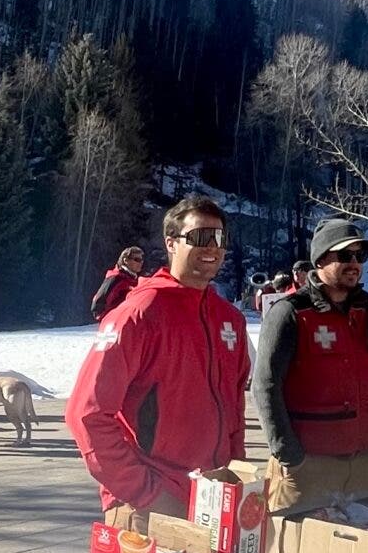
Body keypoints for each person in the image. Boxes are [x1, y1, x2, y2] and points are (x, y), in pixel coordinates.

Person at [66, 195, 250, 520]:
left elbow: (234, 408)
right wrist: (144, 492)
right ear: (171, 243)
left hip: (212, 497)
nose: (213, 248)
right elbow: (87, 413)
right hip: (150, 503)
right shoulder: (139, 313)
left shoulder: (229, 319)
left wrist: (233, 474)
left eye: (220, 238)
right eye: (200, 237)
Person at [253, 219, 368, 510]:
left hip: (362, 464)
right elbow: (265, 386)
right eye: (344, 256)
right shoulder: (290, 313)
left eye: (360, 256)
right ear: (320, 260)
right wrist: (289, 455)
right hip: (307, 467)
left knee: (358, 548)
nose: (354, 263)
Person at [91, 245, 146, 324]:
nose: (141, 263)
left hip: (129, 325)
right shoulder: (116, 279)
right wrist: (110, 320)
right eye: (137, 260)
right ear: (125, 260)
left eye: (142, 260)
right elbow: (97, 305)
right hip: (115, 326)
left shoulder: (132, 279)